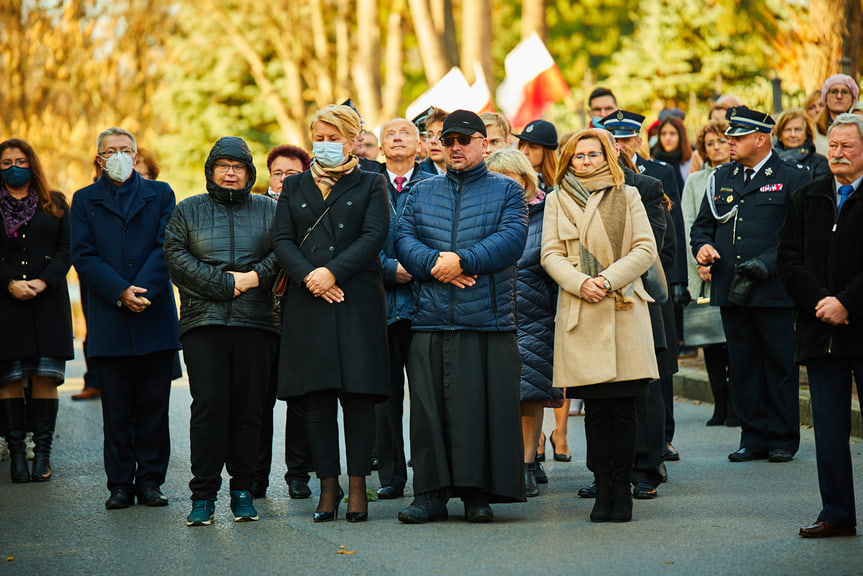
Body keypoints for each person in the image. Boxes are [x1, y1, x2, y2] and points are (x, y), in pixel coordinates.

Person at [395, 109, 528, 524]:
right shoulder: (422, 190)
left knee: (479, 410)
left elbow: (512, 240)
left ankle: (476, 495)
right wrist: (437, 264)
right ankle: (430, 495)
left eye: (464, 140)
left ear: (483, 144)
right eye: (449, 140)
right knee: (428, 411)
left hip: (485, 319)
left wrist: (463, 260)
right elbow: (402, 237)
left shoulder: (507, 190)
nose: (455, 147)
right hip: (431, 317)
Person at [272, 104, 390, 523]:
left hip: (356, 300)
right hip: (309, 302)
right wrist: (310, 277)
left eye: (332, 137)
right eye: (317, 138)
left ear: (352, 139)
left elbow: (375, 235)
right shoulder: (294, 186)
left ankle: (358, 486)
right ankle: (328, 486)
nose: (324, 145)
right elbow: (282, 240)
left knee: (358, 398)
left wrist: (332, 271)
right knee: (316, 399)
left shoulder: (373, 183)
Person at [542, 128, 658, 523]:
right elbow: (550, 254)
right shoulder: (557, 198)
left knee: (624, 408)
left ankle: (621, 490)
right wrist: (581, 283)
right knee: (594, 410)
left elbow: (645, 248)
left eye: (593, 155)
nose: (587, 162)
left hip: (622, 305)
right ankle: (602, 486)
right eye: (579, 156)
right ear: (568, 160)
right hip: (582, 307)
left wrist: (607, 280)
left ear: (607, 157)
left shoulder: (628, 194)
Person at [164, 137, 280, 525]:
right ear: (211, 170)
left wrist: (251, 279)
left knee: (250, 410)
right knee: (209, 407)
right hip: (204, 324)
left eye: (239, 167)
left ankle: (243, 491)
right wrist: (225, 284)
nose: (231, 173)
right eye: (223, 166)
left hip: (257, 323)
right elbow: (176, 258)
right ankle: (203, 495)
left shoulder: (270, 209)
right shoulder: (188, 210)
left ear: (250, 173)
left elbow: (283, 252)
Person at [690, 106, 810, 463]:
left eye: (738, 137)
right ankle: (752, 436)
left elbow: (799, 235)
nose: (730, 142)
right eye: (730, 136)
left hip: (773, 289)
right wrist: (703, 247)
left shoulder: (792, 177)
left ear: (761, 139)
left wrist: (767, 263)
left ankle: (782, 438)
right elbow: (702, 226)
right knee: (742, 366)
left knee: (778, 365)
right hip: (733, 289)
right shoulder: (721, 177)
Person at [70, 127, 180, 509]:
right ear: (99, 158)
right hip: (109, 316)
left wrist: (140, 290)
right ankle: (119, 483)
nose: (118, 155)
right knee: (116, 408)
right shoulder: (84, 200)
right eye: (110, 150)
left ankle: (151, 481)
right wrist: (120, 291)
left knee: (153, 405)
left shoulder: (161, 194)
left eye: (125, 149)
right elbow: (83, 255)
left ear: (136, 155)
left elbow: (167, 246)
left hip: (154, 313)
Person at [778, 113, 863, 539]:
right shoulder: (806, 197)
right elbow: (788, 258)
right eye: (833, 145)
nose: (839, 153)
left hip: (860, 324)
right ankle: (837, 513)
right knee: (829, 431)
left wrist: (847, 302)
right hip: (820, 331)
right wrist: (822, 302)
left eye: (848, 146)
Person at [603, 109, 688, 462]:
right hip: (602, 294)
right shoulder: (582, 184)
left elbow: (670, 238)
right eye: (613, 140)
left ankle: (655, 450)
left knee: (654, 377)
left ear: (639, 140)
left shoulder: (656, 177)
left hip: (647, 289)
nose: (620, 146)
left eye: (626, 139)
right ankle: (612, 464)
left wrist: (678, 280)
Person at [486, 148, 561, 497]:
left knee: (530, 394)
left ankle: (529, 464)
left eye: (510, 178)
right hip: (490, 313)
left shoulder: (547, 213)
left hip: (536, 315)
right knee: (496, 394)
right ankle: (502, 463)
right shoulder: (483, 213)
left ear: (526, 180)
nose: (505, 186)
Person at [0, 138, 73, 483]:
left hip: (48, 302)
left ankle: (41, 453)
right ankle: (17, 454)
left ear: (32, 163)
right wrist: (10, 282)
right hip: (5, 302)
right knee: (10, 377)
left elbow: (67, 249)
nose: (14, 167)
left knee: (46, 377)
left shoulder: (54, 203)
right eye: (6, 162)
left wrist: (43, 282)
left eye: (20, 160)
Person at [372, 118, 429, 500]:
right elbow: (352, 240)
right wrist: (389, 268)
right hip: (379, 306)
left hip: (426, 307)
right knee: (385, 397)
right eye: (389, 134)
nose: (396, 138)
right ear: (380, 146)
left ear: (420, 144)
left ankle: (429, 474)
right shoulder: (364, 186)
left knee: (427, 396)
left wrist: (419, 266)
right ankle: (392, 476)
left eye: (404, 132)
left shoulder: (435, 184)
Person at [255, 143, 313, 501]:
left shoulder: (312, 209)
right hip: (259, 315)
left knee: (302, 400)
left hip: (300, 314)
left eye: (292, 173)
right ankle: (256, 476)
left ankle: (298, 475)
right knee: (257, 401)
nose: (283, 179)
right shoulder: (254, 208)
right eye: (278, 172)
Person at [681, 120, 738, 427]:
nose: (716, 147)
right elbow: (690, 222)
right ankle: (720, 403)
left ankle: (737, 406)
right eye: (710, 143)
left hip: (730, 269)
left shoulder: (737, 177)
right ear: (702, 149)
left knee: (733, 341)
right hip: (701, 272)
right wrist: (700, 263)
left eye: (721, 141)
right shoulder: (694, 181)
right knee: (711, 343)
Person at [774, 108, 829, 181]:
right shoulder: (771, 161)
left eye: (798, 130)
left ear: (807, 133)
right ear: (780, 135)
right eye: (787, 130)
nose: (793, 135)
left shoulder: (819, 163)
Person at [814, 74, 860, 154]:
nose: (839, 96)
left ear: (852, 99)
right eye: (834, 91)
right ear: (826, 97)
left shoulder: (860, 128)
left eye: (845, 92)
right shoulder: (813, 131)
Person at [516, 119, 559, 193]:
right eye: (522, 144)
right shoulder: (514, 179)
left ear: (547, 153)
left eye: (532, 147)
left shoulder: (560, 181)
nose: (524, 151)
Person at [419, 107, 449, 176]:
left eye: (441, 135)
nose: (433, 141)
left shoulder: (468, 173)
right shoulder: (417, 175)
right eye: (430, 135)